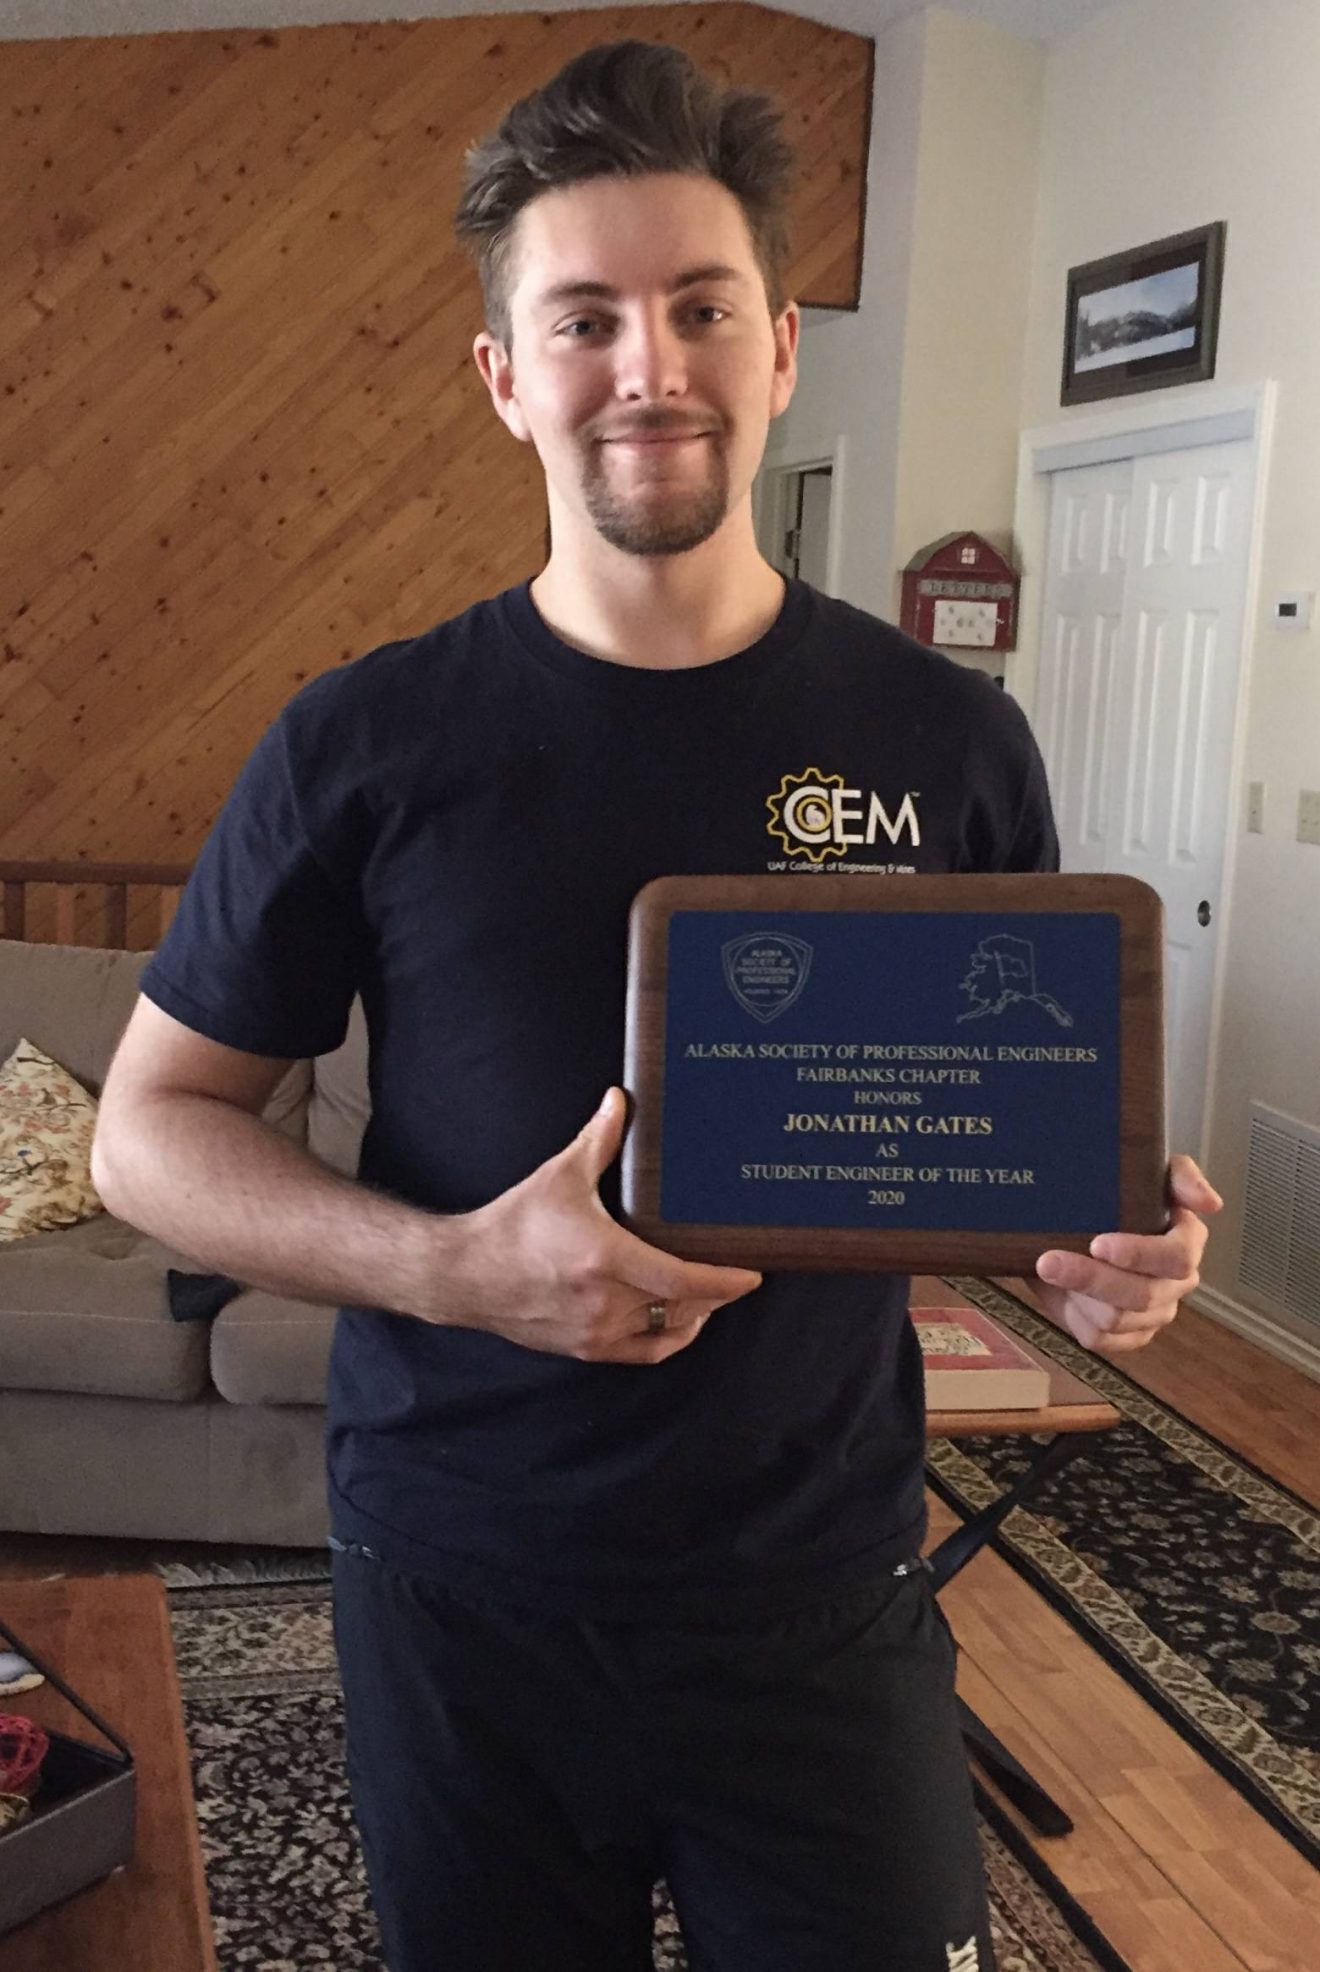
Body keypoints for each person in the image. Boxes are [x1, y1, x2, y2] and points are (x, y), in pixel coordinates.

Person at [92, 40, 1222, 1972]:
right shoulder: (363, 742)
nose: (649, 366)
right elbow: (148, 1137)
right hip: (461, 1583)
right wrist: (458, 1267)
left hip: (822, 1578)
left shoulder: (946, 740)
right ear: (505, 375)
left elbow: (1006, 1137)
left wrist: (1101, 1255)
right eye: (585, 316)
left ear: (780, 347)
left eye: (700, 307)